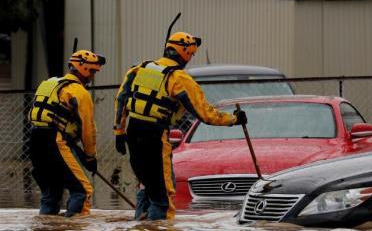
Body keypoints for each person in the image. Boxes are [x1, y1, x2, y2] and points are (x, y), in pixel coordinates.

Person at [114, 31, 247, 220]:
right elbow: (205, 113)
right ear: (184, 52)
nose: (190, 59)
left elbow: (121, 99)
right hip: (155, 136)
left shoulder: (138, 69)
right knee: (163, 196)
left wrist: (118, 132)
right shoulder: (179, 78)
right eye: (191, 54)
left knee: (147, 184)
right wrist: (234, 119)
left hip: (133, 132)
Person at [28, 50, 105, 217]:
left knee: (51, 194)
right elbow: (88, 128)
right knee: (82, 191)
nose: (92, 77)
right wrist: (90, 156)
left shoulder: (48, 84)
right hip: (55, 141)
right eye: (91, 71)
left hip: (35, 141)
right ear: (82, 68)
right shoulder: (79, 91)